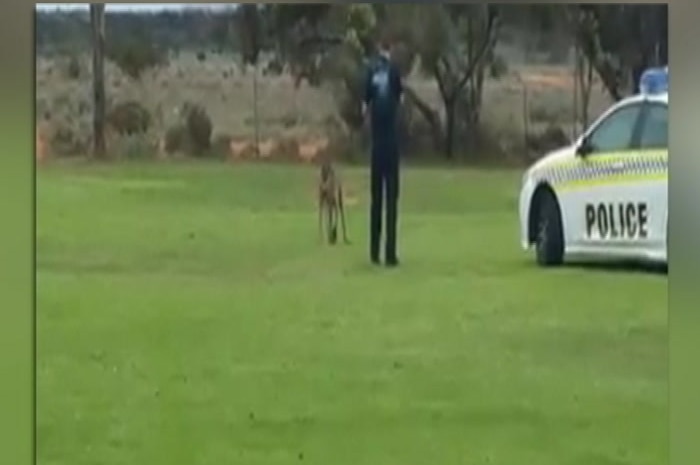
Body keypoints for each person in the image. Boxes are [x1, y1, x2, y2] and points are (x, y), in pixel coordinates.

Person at [362, 34, 404, 267]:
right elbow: (401, 100)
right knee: (392, 201)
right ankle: (390, 254)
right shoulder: (395, 72)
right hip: (391, 144)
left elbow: (363, 106)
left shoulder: (369, 73)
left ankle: (373, 252)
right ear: (391, 50)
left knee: (376, 200)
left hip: (376, 146)